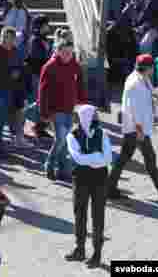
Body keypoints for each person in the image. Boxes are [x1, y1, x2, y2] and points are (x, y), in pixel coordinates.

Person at [107, 54, 158, 201]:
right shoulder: (136, 83)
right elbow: (136, 111)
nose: (154, 69)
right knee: (149, 158)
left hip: (136, 128)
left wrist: (156, 116)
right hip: (136, 129)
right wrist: (140, 131)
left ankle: (109, 187)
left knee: (124, 157)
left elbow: (146, 102)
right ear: (148, 68)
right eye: (153, 67)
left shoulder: (141, 78)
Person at [65, 103, 112, 268]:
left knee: (98, 216)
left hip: (99, 179)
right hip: (81, 178)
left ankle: (97, 253)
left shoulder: (102, 133)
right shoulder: (72, 135)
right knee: (80, 213)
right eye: (94, 115)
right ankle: (80, 249)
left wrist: (91, 159)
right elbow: (77, 158)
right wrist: (96, 157)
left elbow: (108, 159)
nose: (97, 118)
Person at [38, 37, 86, 181]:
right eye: (65, 52)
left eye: (70, 53)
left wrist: (82, 103)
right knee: (60, 139)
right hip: (55, 109)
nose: (68, 56)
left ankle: (63, 170)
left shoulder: (75, 65)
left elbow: (80, 84)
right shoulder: (49, 67)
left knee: (64, 140)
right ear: (58, 51)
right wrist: (44, 112)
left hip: (69, 108)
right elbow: (42, 91)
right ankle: (50, 165)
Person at [0, 27, 26, 155]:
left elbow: (20, 66)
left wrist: (18, 73)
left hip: (11, 90)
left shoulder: (15, 51)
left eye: (10, 38)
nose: (7, 40)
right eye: (5, 37)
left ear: (14, 39)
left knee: (2, 119)